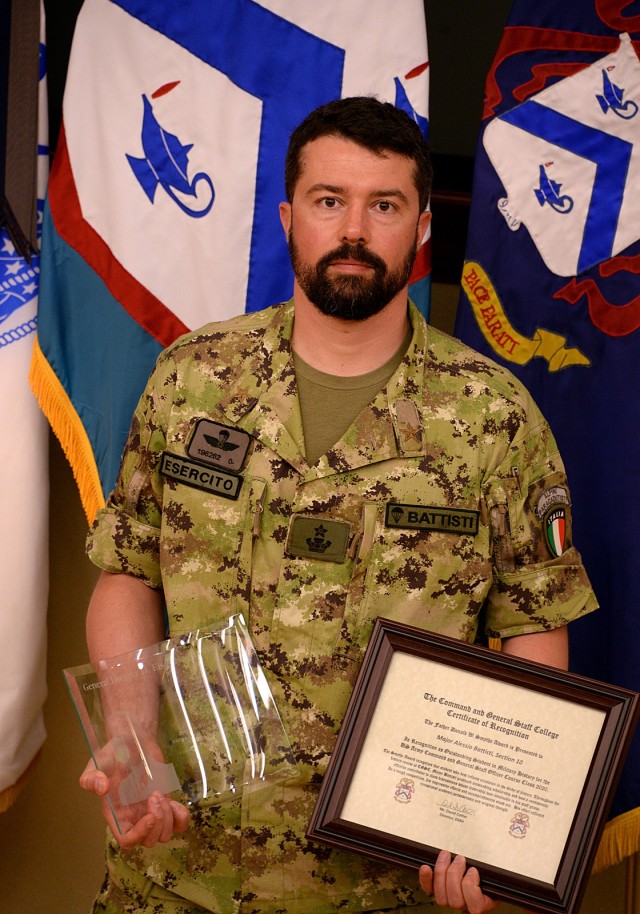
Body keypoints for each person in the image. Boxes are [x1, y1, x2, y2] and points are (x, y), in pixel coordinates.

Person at [80, 96, 598, 914]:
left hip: (381, 888)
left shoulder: (492, 415)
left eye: (384, 205)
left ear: (421, 227)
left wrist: (496, 826)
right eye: (330, 201)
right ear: (290, 215)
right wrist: (134, 740)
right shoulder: (194, 379)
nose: (354, 229)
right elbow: (128, 575)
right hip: (182, 868)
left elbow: (534, 624)